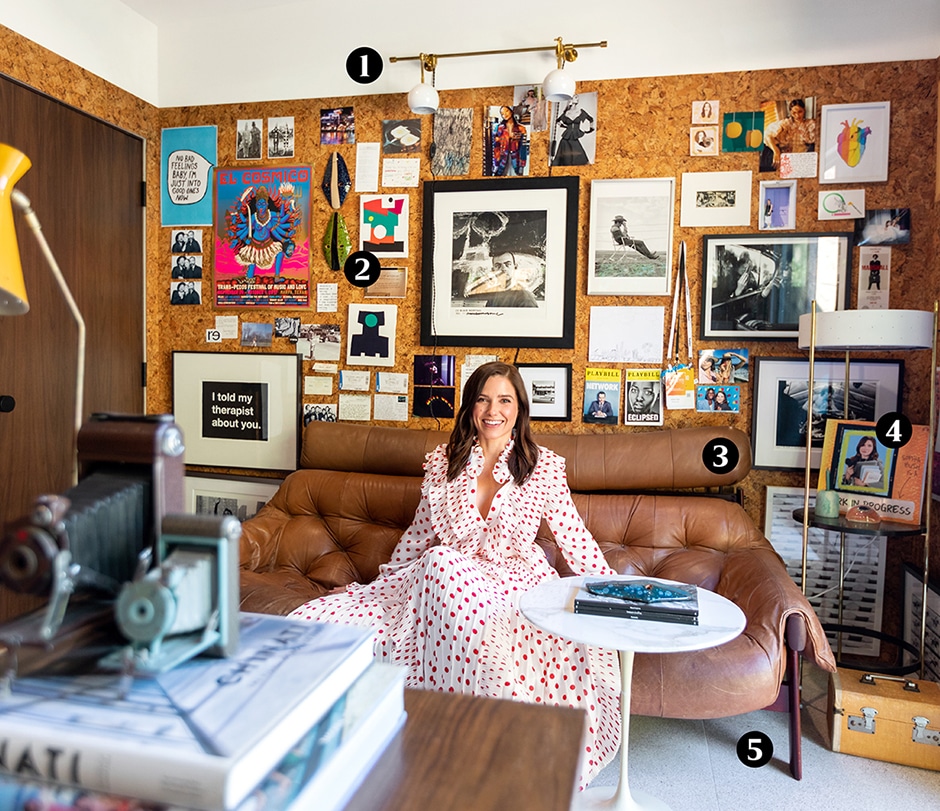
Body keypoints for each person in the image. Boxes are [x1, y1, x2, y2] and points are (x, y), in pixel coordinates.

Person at [287, 362, 621, 788]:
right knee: (437, 562)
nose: (493, 410)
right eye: (483, 399)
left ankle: (494, 738)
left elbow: (574, 537)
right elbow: (420, 535)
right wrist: (380, 583)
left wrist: (614, 587)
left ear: (520, 408)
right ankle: (454, 728)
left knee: (449, 571)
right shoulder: (444, 464)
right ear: (469, 407)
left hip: (516, 580)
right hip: (451, 579)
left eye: (505, 400)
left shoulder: (542, 467)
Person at [761, 98, 817, 171]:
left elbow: (814, 139)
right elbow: (767, 135)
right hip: (785, 157)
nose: (797, 115)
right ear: (790, 112)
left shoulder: (810, 123)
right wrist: (776, 151)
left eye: (800, 112)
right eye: (794, 112)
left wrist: (804, 134)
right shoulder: (786, 123)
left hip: (801, 157)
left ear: (804, 110)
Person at [551, 94, 594, 166]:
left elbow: (591, 119)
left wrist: (590, 129)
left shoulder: (581, 111)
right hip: (565, 139)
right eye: (575, 97)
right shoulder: (566, 113)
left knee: (580, 156)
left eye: (577, 98)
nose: (576, 98)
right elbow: (558, 121)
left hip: (575, 137)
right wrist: (564, 126)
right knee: (565, 159)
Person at [491, 105, 527, 176]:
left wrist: (522, 164)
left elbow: (523, 147)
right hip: (502, 157)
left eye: (506, 111)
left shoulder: (521, 128)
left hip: (516, 158)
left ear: (511, 111)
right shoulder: (498, 128)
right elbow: (495, 144)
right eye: (502, 114)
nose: (505, 114)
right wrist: (496, 163)